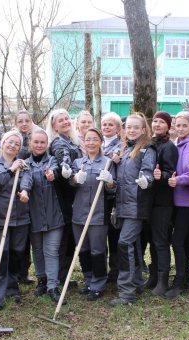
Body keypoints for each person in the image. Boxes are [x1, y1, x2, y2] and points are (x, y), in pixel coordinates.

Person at [109, 112, 157, 306]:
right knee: (133, 245)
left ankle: (126, 291)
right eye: (128, 127)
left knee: (124, 244)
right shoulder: (124, 149)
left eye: (135, 127)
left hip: (136, 206)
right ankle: (136, 282)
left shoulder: (147, 148)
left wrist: (147, 180)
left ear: (143, 130)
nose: (131, 130)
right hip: (122, 206)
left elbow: (148, 171)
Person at [19, 128, 66, 304]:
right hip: (33, 215)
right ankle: (42, 280)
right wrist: (24, 190)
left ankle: (53, 286)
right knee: (37, 250)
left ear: (47, 144)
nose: (39, 145)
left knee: (51, 251)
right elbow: (26, 179)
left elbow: (55, 170)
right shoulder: (24, 164)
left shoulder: (52, 160)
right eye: (36, 142)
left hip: (54, 215)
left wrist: (52, 175)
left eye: (42, 142)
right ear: (30, 144)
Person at [0, 130, 31, 309]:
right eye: (9, 142)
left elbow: (27, 180)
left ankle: (12, 286)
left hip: (20, 217)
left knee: (16, 253)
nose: (13, 146)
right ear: (2, 143)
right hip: (0, 218)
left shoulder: (23, 164)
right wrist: (11, 170)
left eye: (17, 144)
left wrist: (26, 190)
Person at [70, 128, 116, 300]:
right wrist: (74, 179)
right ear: (83, 142)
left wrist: (110, 182)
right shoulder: (78, 163)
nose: (91, 143)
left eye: (94, 139)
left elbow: (113, 188)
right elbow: (70, 185)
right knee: (83, 249)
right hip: (79, 213)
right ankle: (88, 280)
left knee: (97, 250)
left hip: (98, 214)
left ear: (100, 142)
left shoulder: (108, 163)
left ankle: (98, 283)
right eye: (87, 139)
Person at [164, 111, 189, 299]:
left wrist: (178, 181)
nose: (180, 129)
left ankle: (180, 280)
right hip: (178, 200)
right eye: (177, 125)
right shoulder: (179, 144)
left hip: (187, 201)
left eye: (184, 126)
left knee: (178, 240)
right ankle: (185, 277)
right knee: (183, 240)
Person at [47, 109, 82, 286]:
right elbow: (64, 158)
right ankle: (60, 275)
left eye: (67, 118)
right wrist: (65, 167)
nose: (65, 122)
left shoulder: (74, 141)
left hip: (75, 193)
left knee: (70, 236)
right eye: (60, 120)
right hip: (64, 195)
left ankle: (65, 274)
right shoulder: (58, 143)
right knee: (65, 235)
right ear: (54, 126)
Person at [145, 111, 178, 296]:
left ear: (168, 125)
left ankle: (163, 281)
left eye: (161, 122)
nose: (157, 124)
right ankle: (153, 276)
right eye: (155, 121)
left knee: (160, 240)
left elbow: (170, 172)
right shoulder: (151, 144)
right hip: (149, 200)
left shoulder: (168, 147)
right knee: (152, 240)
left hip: (163, 202)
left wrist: (161, 176)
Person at [14, 110, 37, 284]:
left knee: (29, 236)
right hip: (17, 191)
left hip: (34, 190)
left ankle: (24, 271)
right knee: (20, 237)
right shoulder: (13, 141)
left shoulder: (35, 139)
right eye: (20, 121)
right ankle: (18, 271)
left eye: (26, 121)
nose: (23, 124)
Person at [101, 112, 123, 283]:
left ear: (117, 128)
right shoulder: (97, 143)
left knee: (114, 234)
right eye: (104, 124)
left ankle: (115, 270)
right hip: (98, 197)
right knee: (101, 235)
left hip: (114, 196)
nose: (107, 127)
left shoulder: (121, 146)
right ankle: (103, 270)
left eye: (110, 124)